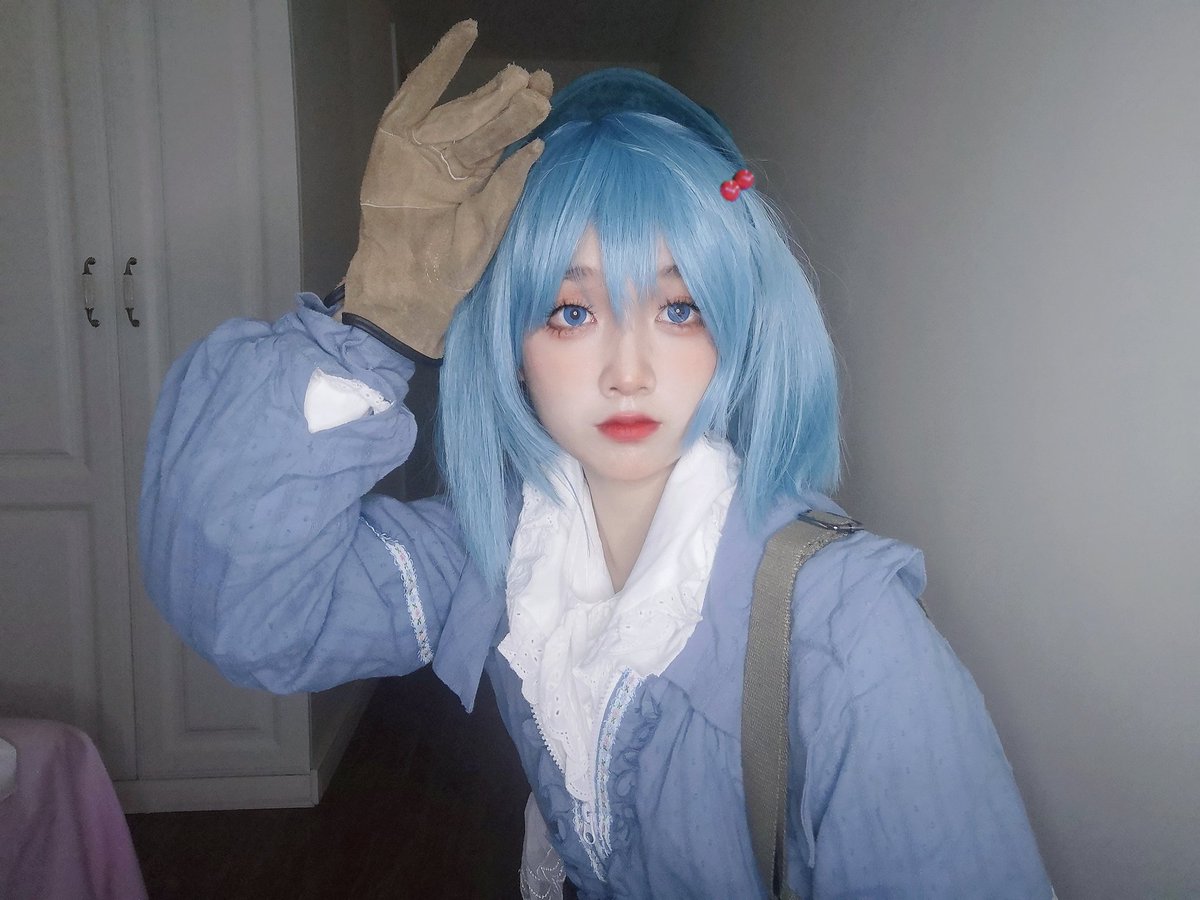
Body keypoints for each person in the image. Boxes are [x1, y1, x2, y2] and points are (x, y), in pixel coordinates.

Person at [140, 20, 1053, 899]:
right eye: (571, 313)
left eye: (679, 309)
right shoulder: (495, 552)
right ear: (512, 347)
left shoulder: (847, 636)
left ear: (738, 330)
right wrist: (368, 327)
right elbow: (252, 612)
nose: (628, 372)